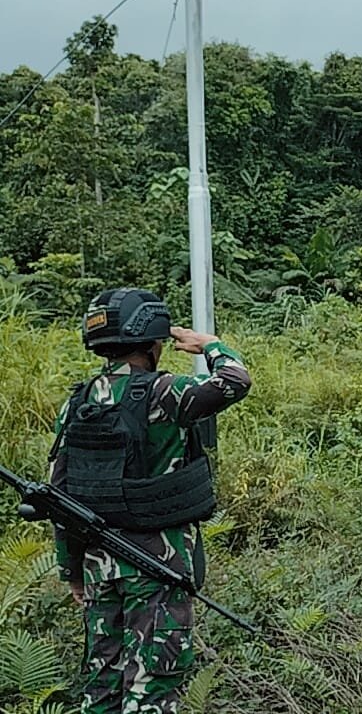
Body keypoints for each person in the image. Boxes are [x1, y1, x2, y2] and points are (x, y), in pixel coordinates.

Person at [49, 288, 251, 714]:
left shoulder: (78, 402)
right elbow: (235, 381)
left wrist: (71, 570)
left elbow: (59, 494)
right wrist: (210, 345)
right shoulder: (164, 393)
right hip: (157, 567)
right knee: (152, 688)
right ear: (154, 341)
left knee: (101, 685)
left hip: (98, 567)